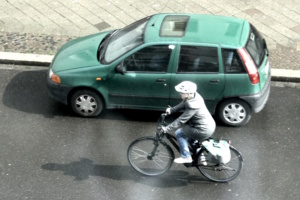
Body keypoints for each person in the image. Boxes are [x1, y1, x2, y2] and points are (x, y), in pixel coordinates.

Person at [161, 81, 216, 164]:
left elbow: (181, 120)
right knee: (191, 137)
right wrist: (172, 110)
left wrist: (167, 128)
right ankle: (200, 155)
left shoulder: (193, 105)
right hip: (207, 125)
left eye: (182, 93)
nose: (180, 94)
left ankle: (186, 157)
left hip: (203, 129)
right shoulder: (194, 96)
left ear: (188, 93)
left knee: (179, 133)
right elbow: (184, 103)